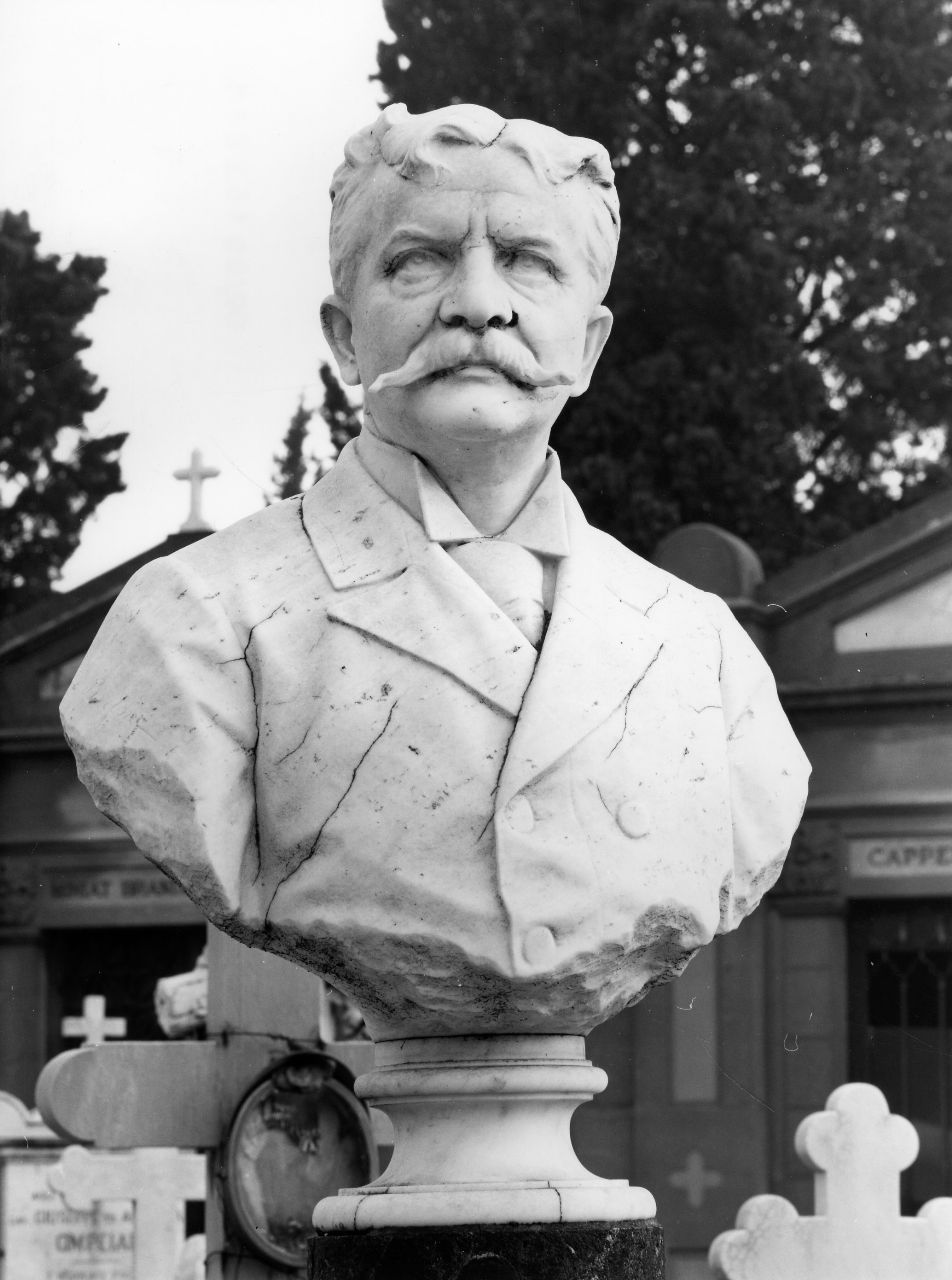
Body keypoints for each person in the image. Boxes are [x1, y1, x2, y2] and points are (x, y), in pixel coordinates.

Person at [61, 104, 810, 1041]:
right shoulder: (191, 626)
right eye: (419, 261)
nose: (478, 303)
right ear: (343, 335)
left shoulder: (705, 654)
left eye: (530, 262)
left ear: (590, 343)